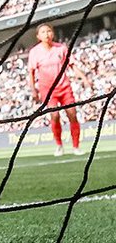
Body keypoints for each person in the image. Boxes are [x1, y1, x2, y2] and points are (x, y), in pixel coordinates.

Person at [27, 23, 90, 156]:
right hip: (48, 90)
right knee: (54, 116)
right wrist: (34, 90)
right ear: (38, 36)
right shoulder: (34, 52)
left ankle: (76, 146)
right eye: (43, 32)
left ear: (53, 33)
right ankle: (59, 145)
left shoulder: (60, 48)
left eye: (49, 31)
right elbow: (31, 73)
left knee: (72, 114)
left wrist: (84, 78)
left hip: (64, 87)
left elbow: (72, 65)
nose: (47, 34)